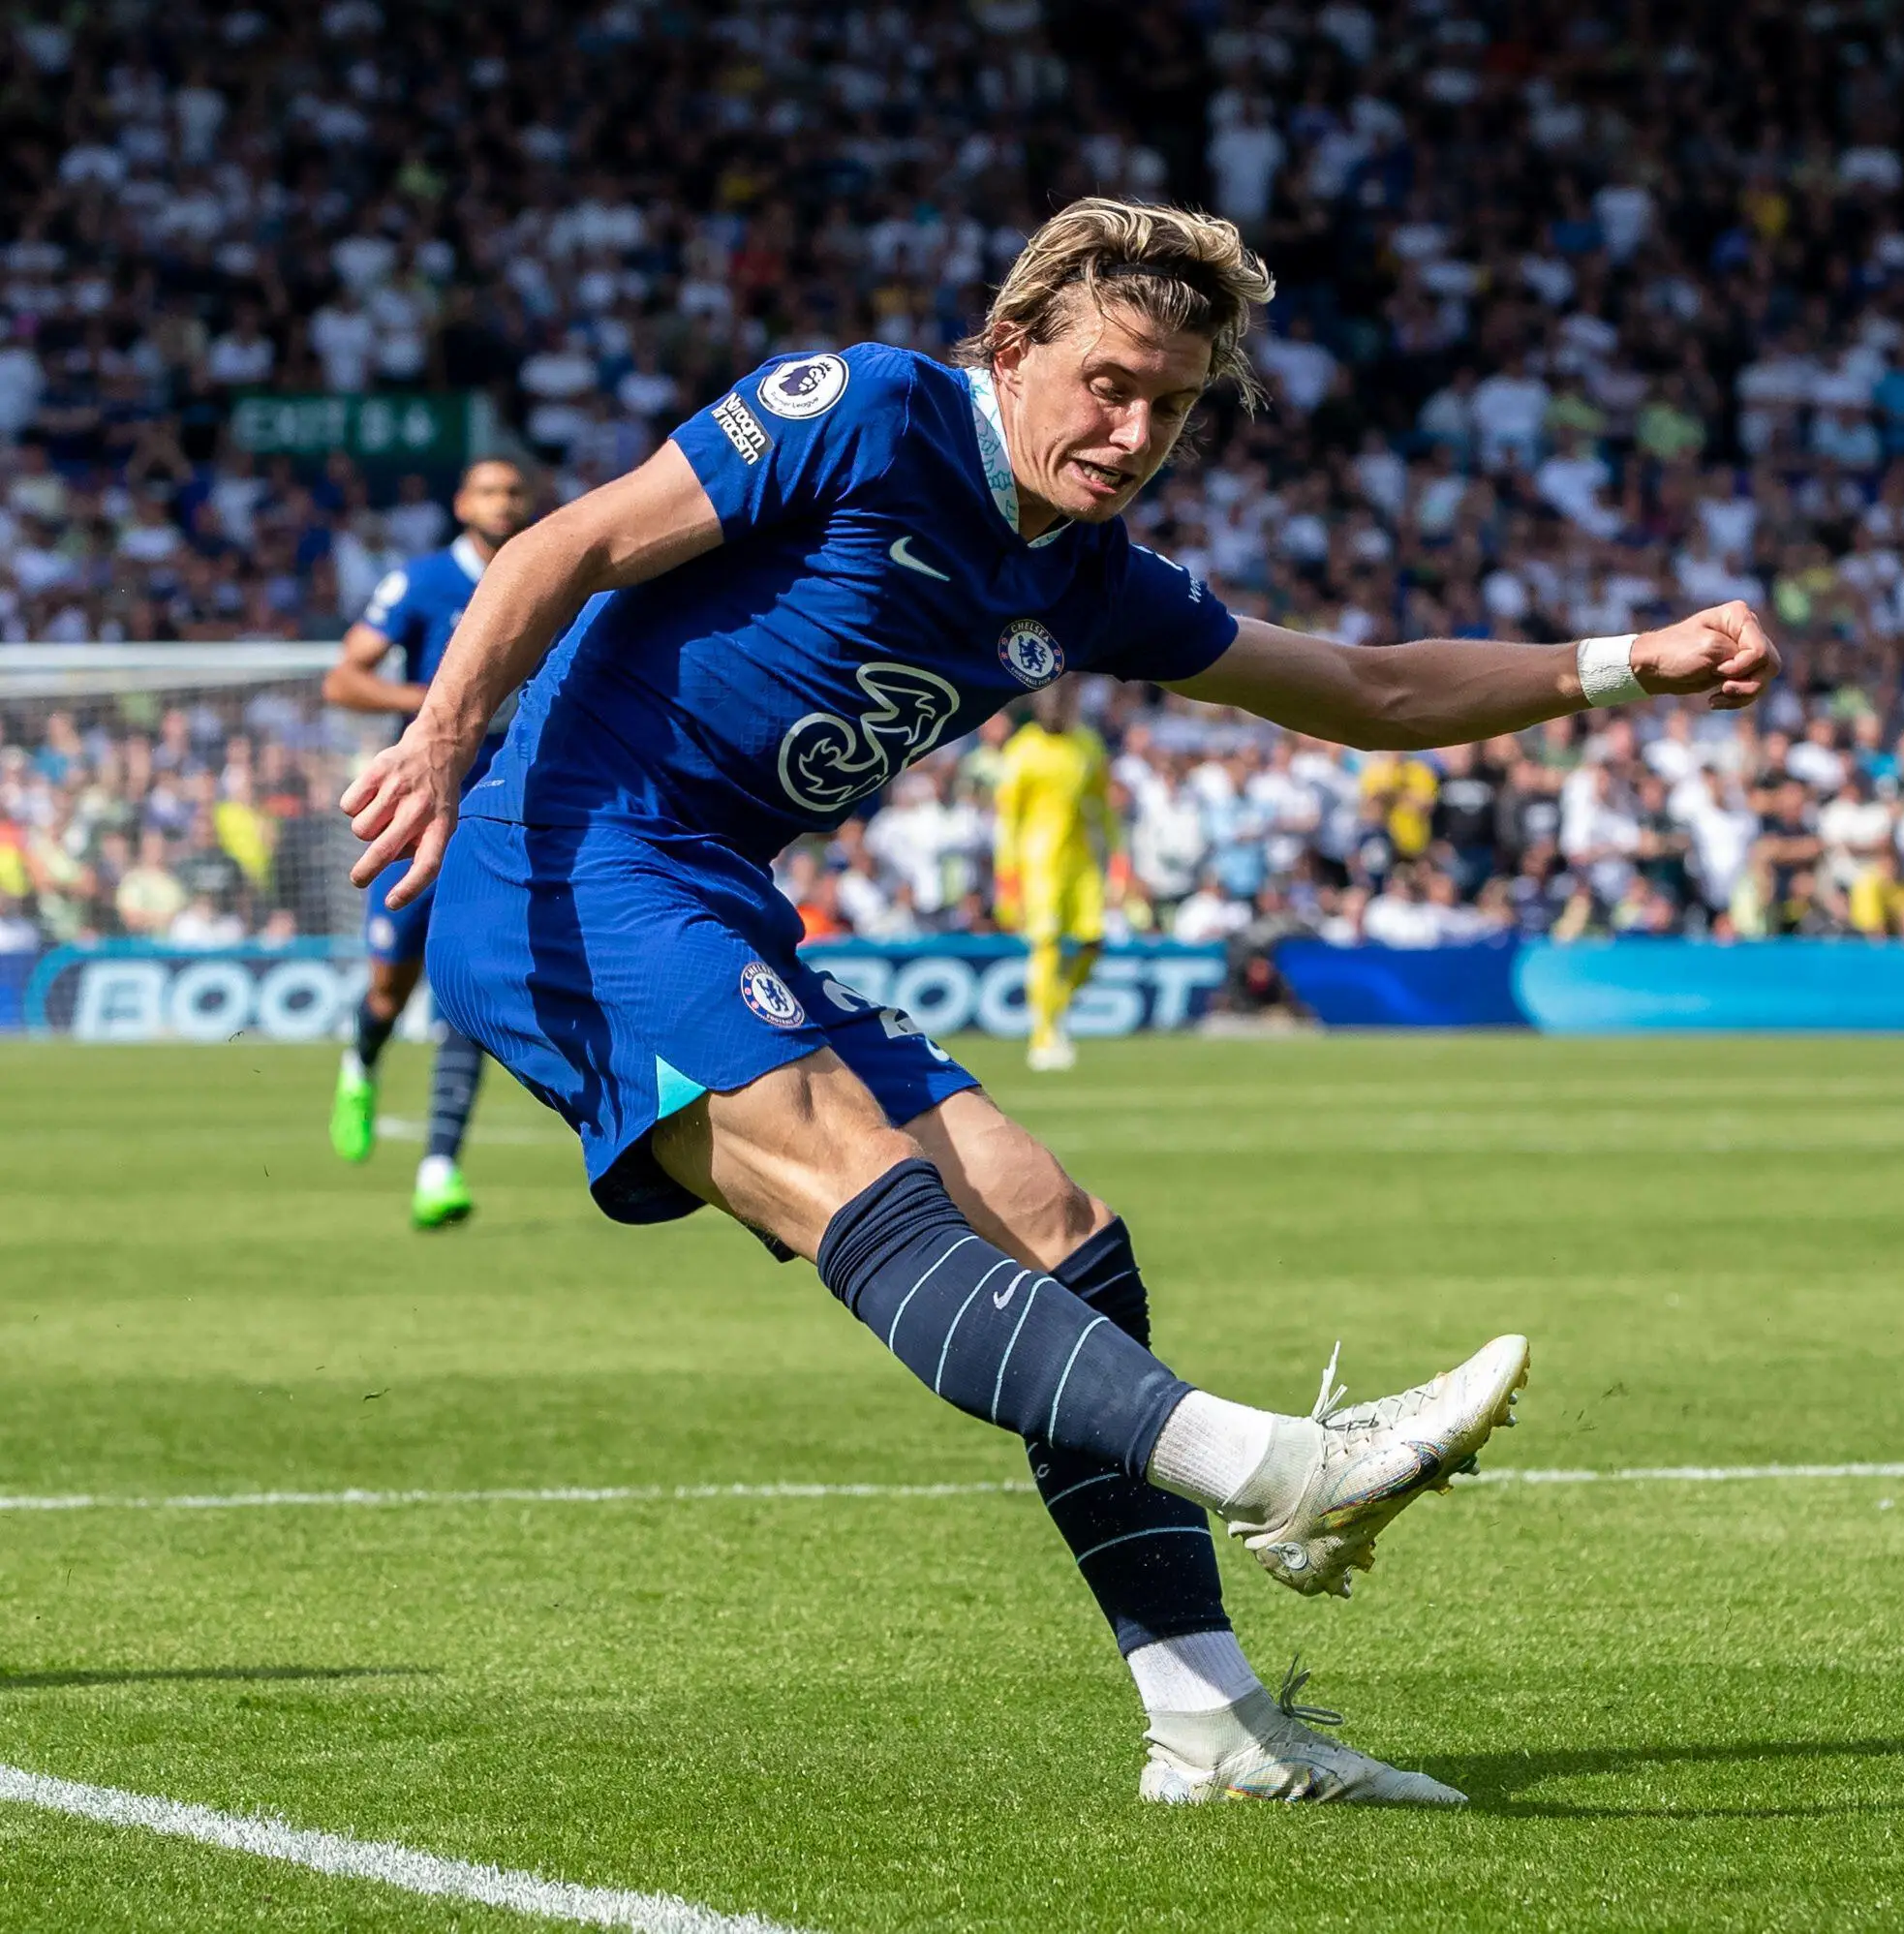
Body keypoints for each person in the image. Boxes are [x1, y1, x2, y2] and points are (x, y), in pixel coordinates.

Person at [338, 200, 1777, 1806]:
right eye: (1106, 383)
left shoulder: (1091, 579)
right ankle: (1287, 1469)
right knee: (863, 1186)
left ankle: (1209, 1725)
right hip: (565, 859)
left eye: (1170, 403)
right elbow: (570, 543)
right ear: (1011, 350)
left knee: (1055, 1227)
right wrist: (443, 732)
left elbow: (1367, 691)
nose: (1135, 428)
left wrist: (1627, 661)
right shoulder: (867, 409)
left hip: (717, 886)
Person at [321, 457, 533, 1228]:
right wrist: (443, 702)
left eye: (514, 492)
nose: (504, 503)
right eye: (489, 491)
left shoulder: (551, 577)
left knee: (465, 988)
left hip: (502, 810)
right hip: (418, 805)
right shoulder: (420, 582)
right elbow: (342, 680)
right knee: (391, 985)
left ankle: (439, 1167)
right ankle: (361, 1059)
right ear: (461, 502)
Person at [992, 678, 1119, 1071]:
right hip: (1037, 862)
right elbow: (1007, 820)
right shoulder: (1023, 750)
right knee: (1045, 944)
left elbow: (1104, 809)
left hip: (1080, 862)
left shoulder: (1088, 746)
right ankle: (1043, 1037)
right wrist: (1007, 879)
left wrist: (1118, 859)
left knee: (1093, 942)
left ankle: (1055, 1009)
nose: (1056, 708)